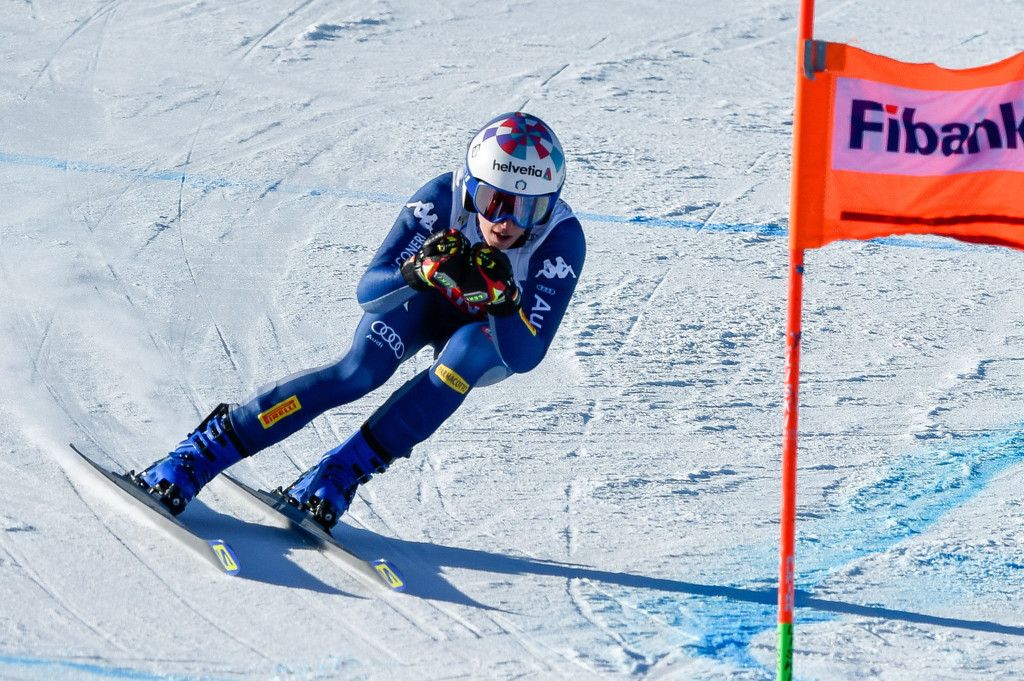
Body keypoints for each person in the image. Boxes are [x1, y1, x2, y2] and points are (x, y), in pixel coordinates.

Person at [134, 111, 587, 532]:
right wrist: (415, 273)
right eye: (494, 201)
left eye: (528, 210)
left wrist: (505, 305)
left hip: (487, 333)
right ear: (470, 189)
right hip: (423, 303)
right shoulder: (443, 198)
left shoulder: (561, 239)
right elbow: (369, 291)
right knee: (358, 372)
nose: (507, 222)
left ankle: (339, 472)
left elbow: (524, 356)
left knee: (466, 356)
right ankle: (201, 453)